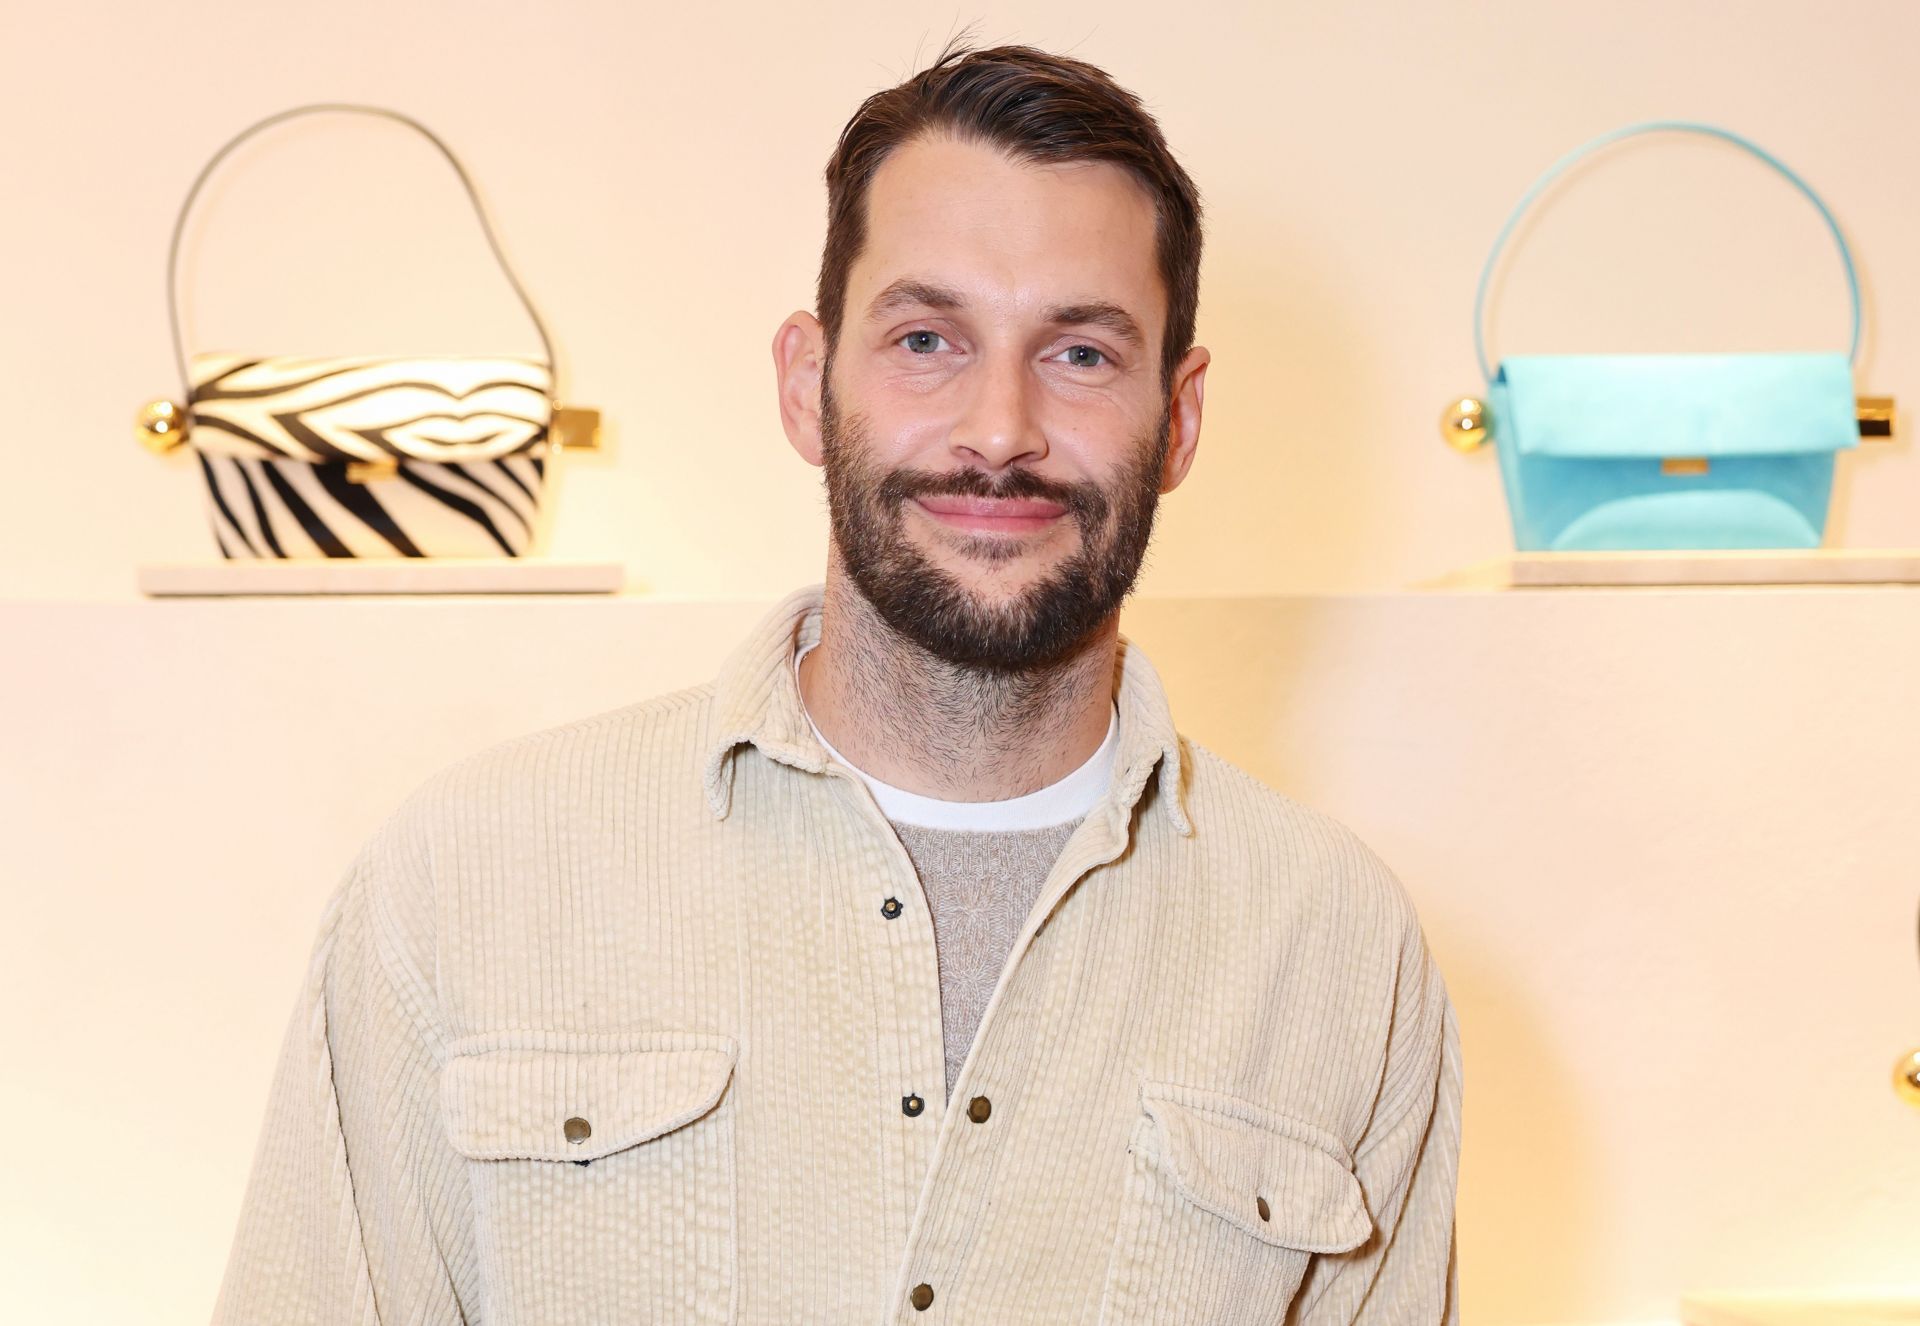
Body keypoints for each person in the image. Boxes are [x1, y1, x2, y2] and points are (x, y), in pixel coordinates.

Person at [211, 40, 1461, 1324]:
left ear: (1179, 419)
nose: (997, 428)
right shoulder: (463, 878)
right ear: (810, 384)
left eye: (1080, 354)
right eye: (928, 338)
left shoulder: (1342, 955)